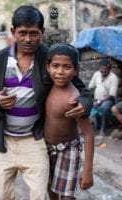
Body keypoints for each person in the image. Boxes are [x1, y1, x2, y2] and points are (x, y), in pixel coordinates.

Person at [0, 6, 92, 200]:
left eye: (34, 33)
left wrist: (85, 103)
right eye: (22, 33)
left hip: (35, 140)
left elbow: (82, 89)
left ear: (42, 32)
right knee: (0, 196)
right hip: (2, 141)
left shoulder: (49, 59)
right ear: (13, 31)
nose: (28, 39)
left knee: (40, 194)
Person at [44, 43, 94, 200]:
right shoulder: (45, 88)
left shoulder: (74, 99)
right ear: (47, 67)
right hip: (46, 148)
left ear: (76, 70)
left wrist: (87, 170)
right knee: (51, 190)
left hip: (68, 150)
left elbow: (88, 134)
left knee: (67, 197)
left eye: (67, 67)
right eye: (55, 66)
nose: (60, 72)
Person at [88, 59, 119, 136]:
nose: (104, 71)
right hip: (96, 98)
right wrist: (86, 95)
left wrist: (98, 102)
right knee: (84, 103)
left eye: (106, 69)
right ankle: (89, 126)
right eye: (102, 69)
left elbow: (111, 95)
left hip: (108, 100)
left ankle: (103, 128)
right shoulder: (96, 74)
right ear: (99, 68)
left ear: (110, 69)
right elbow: (90, 87)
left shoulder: (113, 77)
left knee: (104, 107)